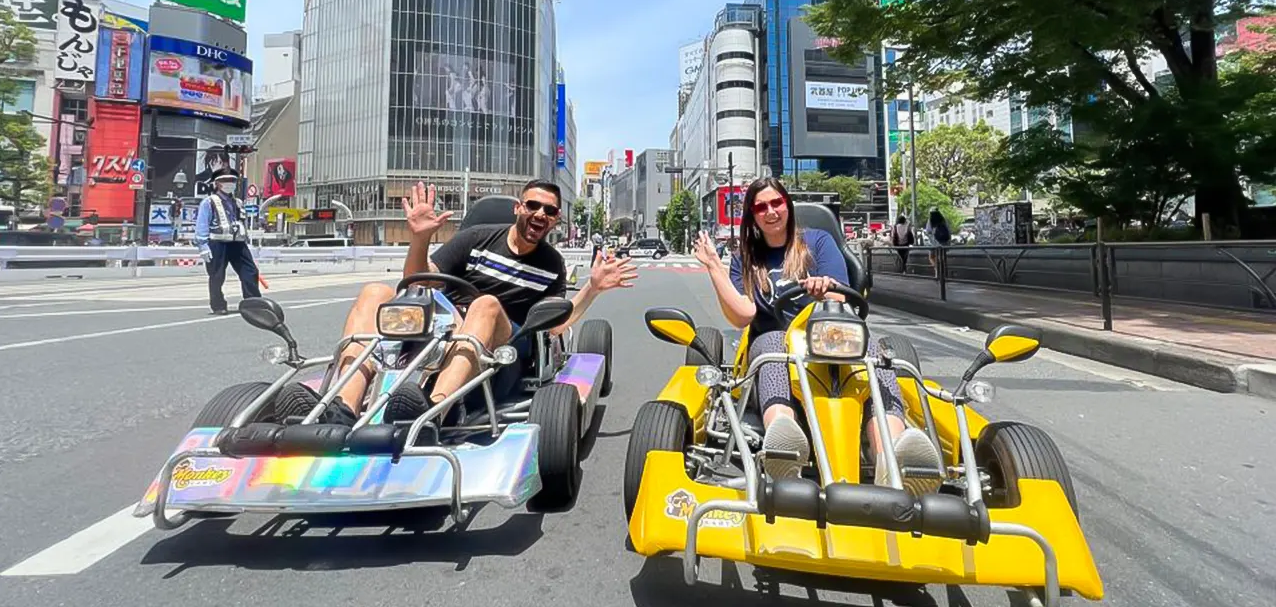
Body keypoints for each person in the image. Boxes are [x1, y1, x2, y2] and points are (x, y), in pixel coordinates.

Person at [274, 179, 639, 427]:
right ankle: (344, 407)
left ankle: (435, 410)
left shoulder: (551, 265)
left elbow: (556, 326)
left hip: (500, 348)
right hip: (440, 329)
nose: (540, 215)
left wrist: (591, 288)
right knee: (376, 292)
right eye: (533, 206)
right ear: (518, 208)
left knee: (486, 305)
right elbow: (419, 281)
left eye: (550, 211)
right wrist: (419, 241)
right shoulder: (476, 239)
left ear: (556, 220)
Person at [692, 177, 939, 493]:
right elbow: (743, 315)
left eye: (776, 203)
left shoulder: (817, 241)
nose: (771, 212)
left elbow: (841, 296)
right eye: (761, 207)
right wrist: (714, 266)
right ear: (752, 216)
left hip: (829, 341)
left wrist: (825, 288)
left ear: (787, 205)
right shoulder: (746, 258)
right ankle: (784, 444)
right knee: (770, 345)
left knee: (875, 355)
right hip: (778, 346)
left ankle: (890, 459)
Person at [194, 167, 261, 315]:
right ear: (217, 183)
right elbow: (202, 223)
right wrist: (203, 246)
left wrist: (246, 240)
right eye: (225, 181)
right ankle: (218, 305)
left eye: (232, 181)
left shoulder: (237, 202)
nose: (229, 183)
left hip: (237, 243)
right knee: (217, 276)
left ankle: (253, 302)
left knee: (250, 271)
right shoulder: (209, 202)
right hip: (217, 243)